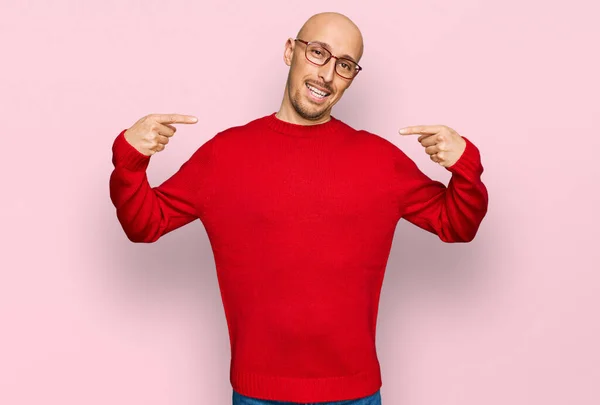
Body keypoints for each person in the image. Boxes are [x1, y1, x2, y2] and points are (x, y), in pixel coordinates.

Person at [109, 11, 488, 405]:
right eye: (318, 53)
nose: (326, 74)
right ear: (291, 51)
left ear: (353, 77)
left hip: (355, 394)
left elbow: (457, 225)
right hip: (257, 393)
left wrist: (464, 164)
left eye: (344, 65)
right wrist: (131, 157)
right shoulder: (225, 155)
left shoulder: (379, 160)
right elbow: (144, 224)